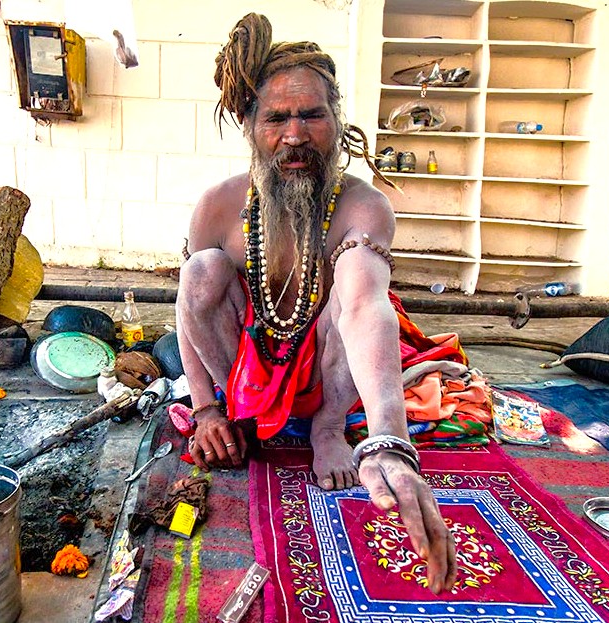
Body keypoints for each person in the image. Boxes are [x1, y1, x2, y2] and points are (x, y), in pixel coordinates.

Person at [175, 13, 456, 594]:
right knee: (201, 272)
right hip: (246, 365)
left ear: (337, 120)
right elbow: (189, 306)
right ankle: (241, 416)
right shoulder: (218, 206)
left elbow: (360, 306)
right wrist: (205, 410)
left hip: (330, 363)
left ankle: (327, 428)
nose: (296, 135)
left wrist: (387, 436)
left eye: (312, 115)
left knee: (341, 296)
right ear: (250, 125)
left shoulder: (363, 206)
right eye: (277, 117)